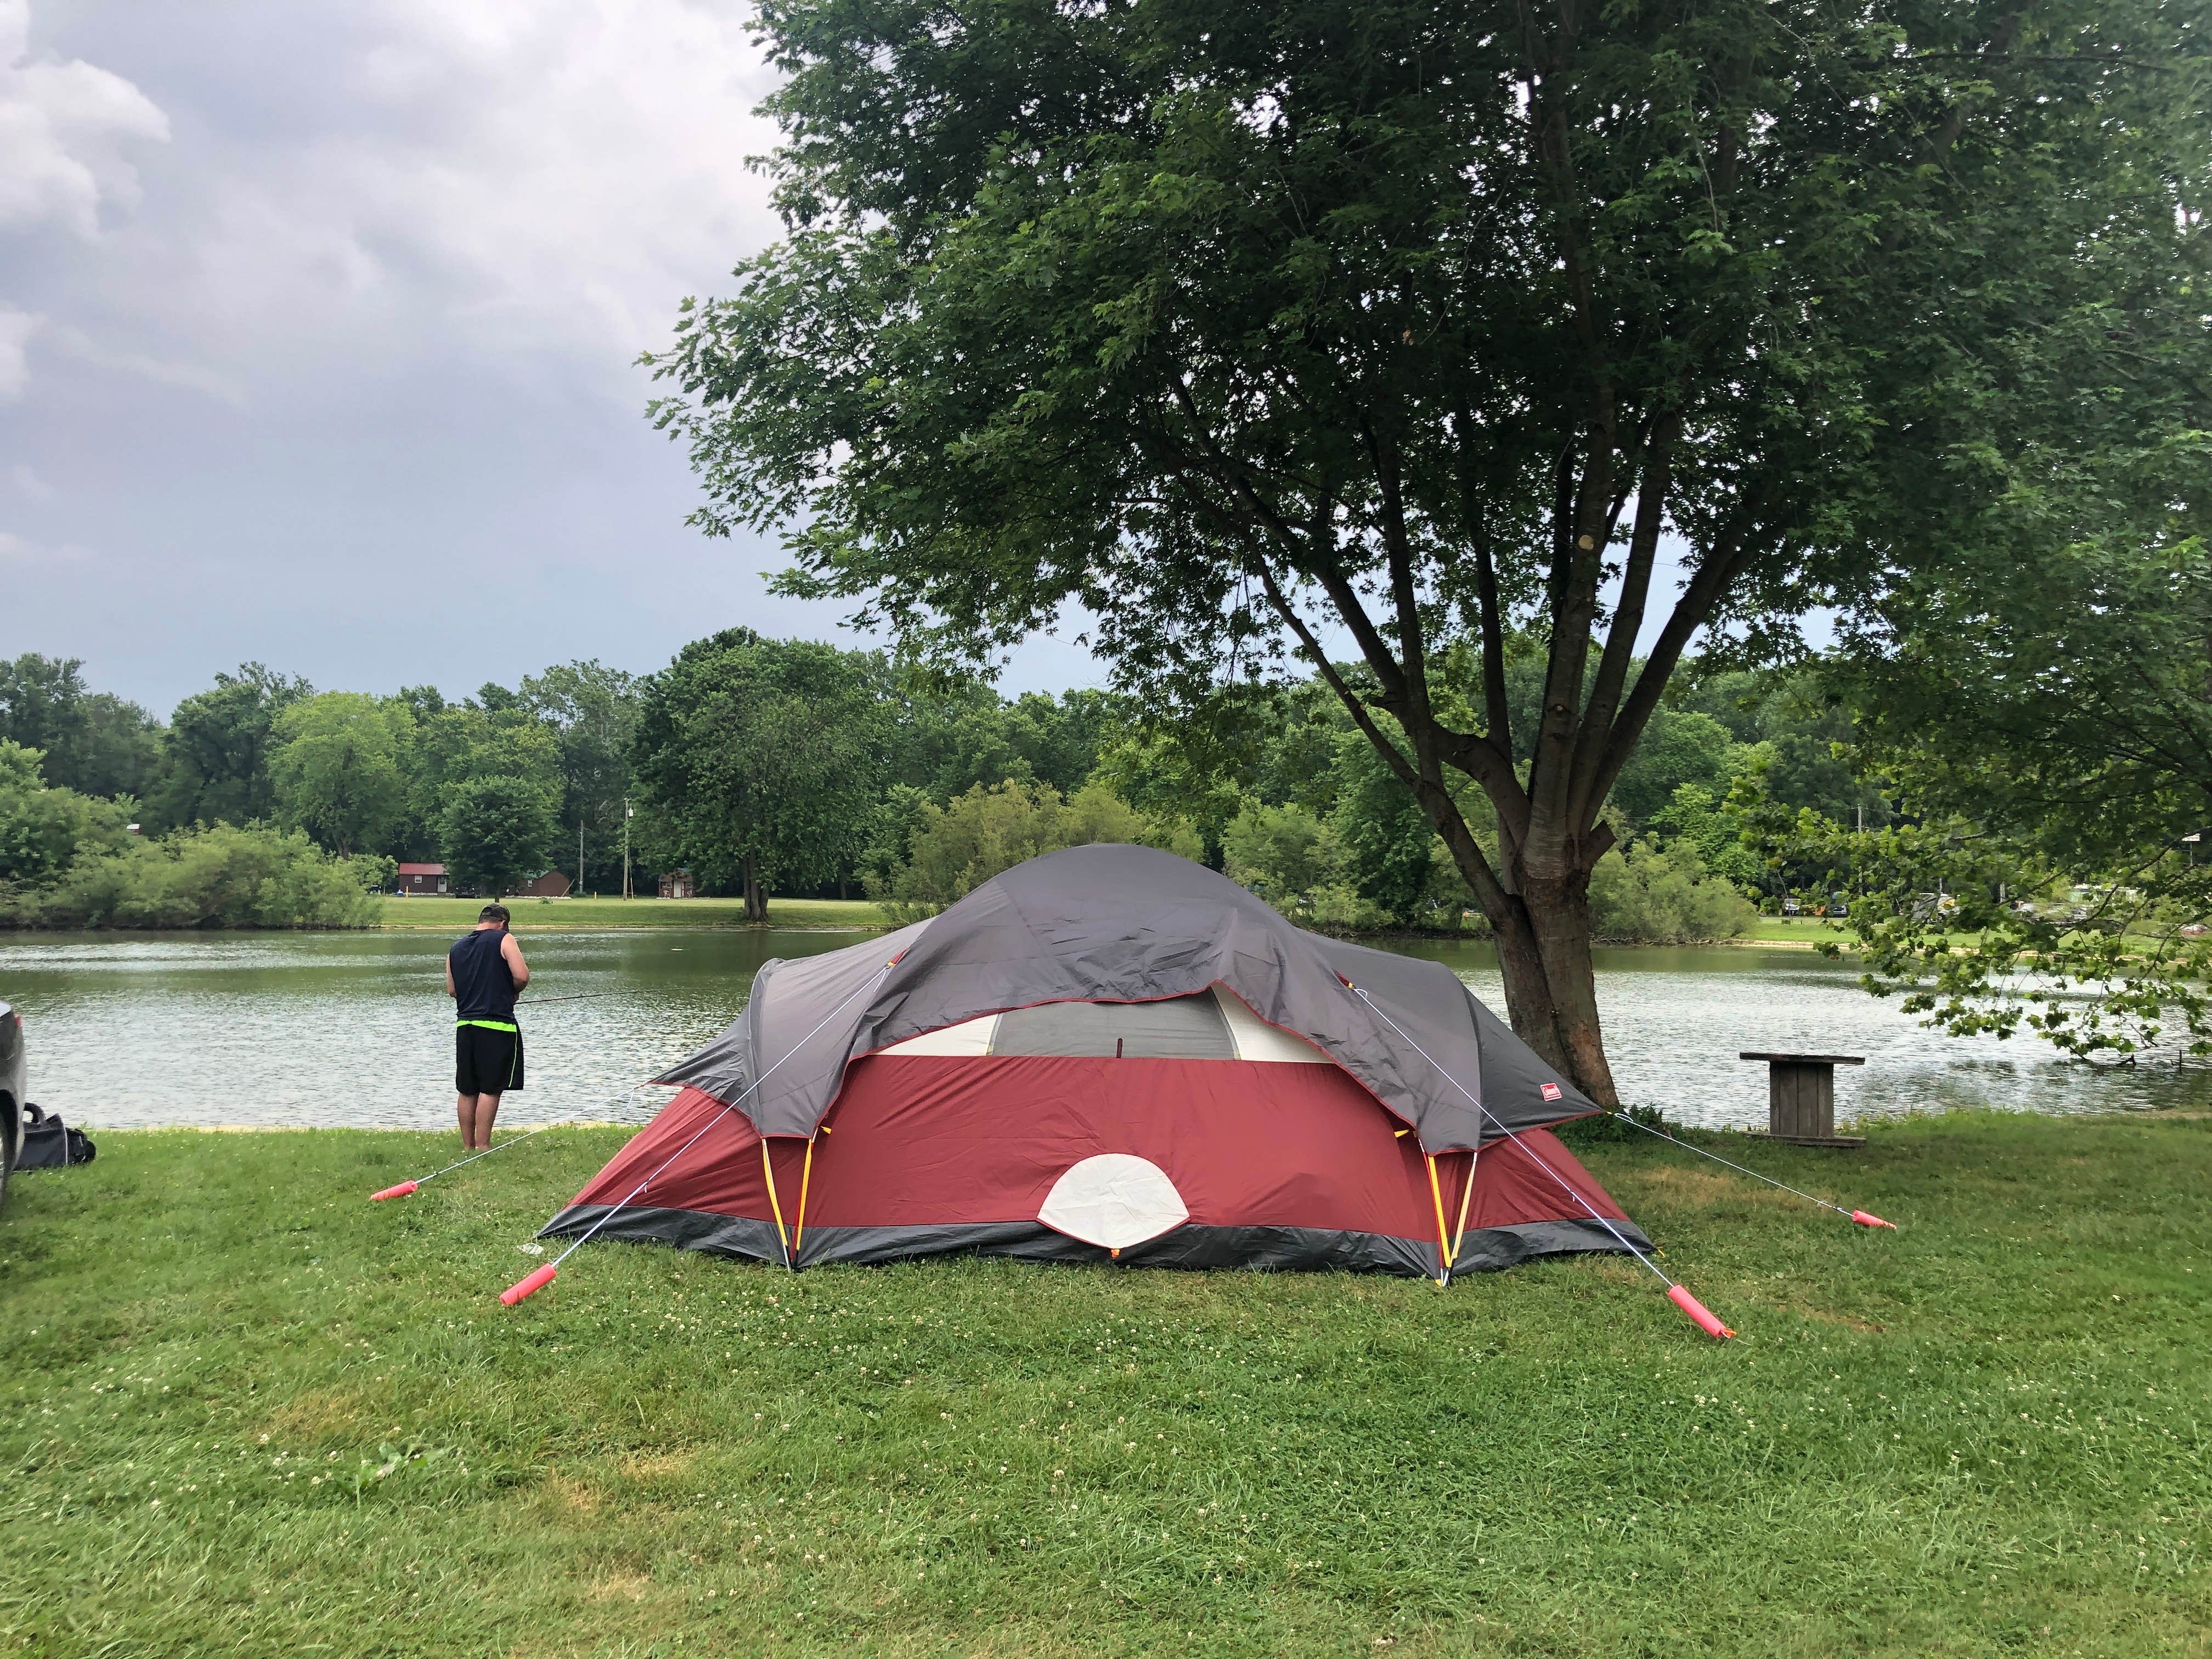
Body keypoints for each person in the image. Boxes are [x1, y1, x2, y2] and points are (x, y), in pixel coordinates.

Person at [447, 902, 529, 1149]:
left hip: (465, 1025)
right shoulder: (504, 939)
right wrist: (512, 992)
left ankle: (468, 1147)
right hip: (497, 1025)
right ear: (503, 923)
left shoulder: (455, 948)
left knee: (468, 1088)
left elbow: (452, 990)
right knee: (491, 1088)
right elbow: (522, 975)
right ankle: (483, 1147)